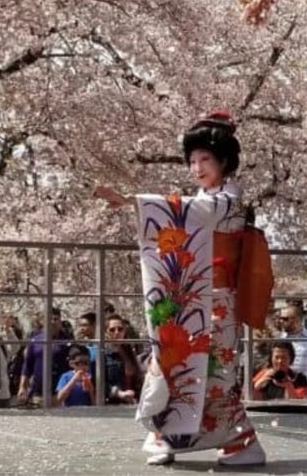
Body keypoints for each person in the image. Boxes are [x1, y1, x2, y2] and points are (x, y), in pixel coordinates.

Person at [98, 110, 265, 465]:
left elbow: (196, 212)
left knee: (215, 375)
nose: (197, 167)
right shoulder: (207, 197)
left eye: (205, 159)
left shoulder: (229, 197)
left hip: (219, 302)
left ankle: (240, 442)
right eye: (192, 160)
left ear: (223, 161)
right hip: (193, 299)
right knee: (172, 362)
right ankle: (169, 436)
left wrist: (131, 201)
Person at [16, 307, 71, 404]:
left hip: (60, 394)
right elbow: (27, 366)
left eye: (56, 319)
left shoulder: (67, 342)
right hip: (38, 393)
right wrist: (22, 387)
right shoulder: (35, 340)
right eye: (49, 319)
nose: (53, 322)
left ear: (60, 321)